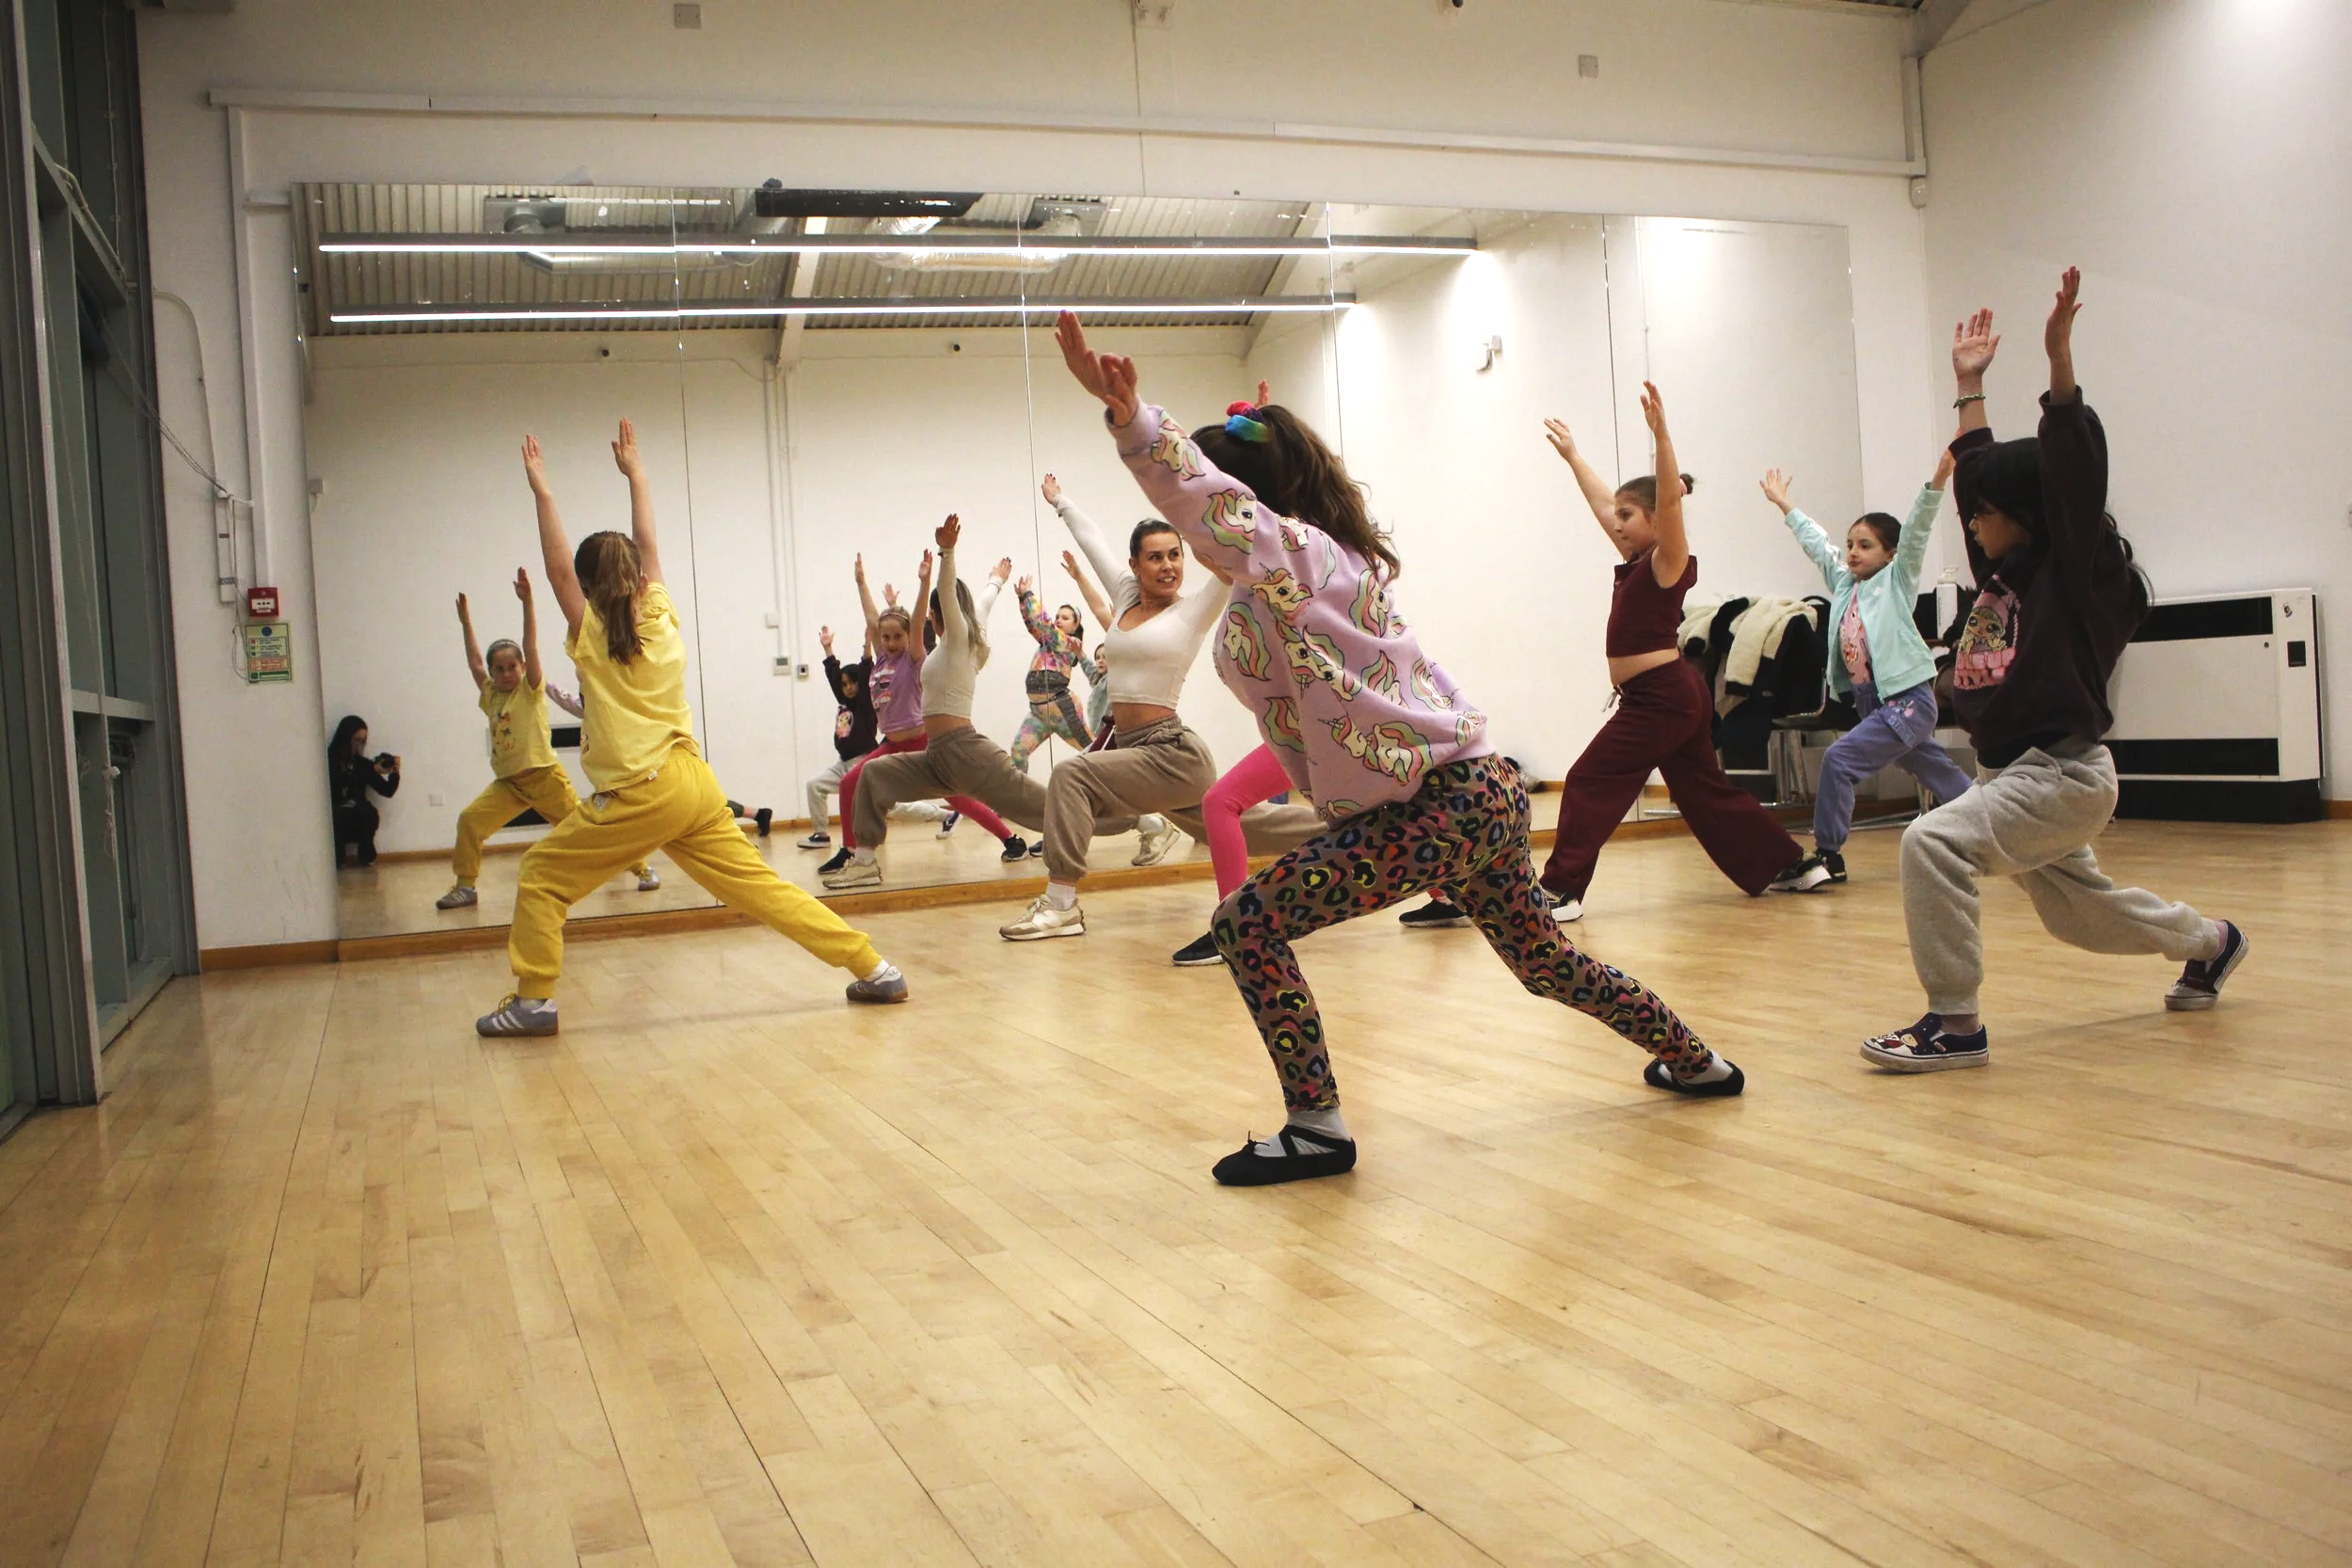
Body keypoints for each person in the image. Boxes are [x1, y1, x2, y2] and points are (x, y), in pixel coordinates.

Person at [1056, 311, 1740, 1187]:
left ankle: (1317, 1126)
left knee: (1248, 921)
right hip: (1469, 793)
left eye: (1214, 522)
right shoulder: (1271, 590)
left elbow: (1213, 506)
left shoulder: (1302, 555)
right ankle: (1697, 1059)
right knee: (1545, 962)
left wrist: (1135, 423)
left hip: (1446, 800)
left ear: (1249, 508)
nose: (1195, 542)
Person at [1863, 273, 2246, 1070]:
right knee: (2078, 914)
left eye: (1986, 514)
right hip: (2015, 777)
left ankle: (1955, 1024)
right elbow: (1980, 472)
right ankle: (2211, 942)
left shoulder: (2072, 573)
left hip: (2061, 774)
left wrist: (2059, 365)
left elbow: (2070, 477)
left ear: (2034, 515)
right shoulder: (2001, 571)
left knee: (1930, 844)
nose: (1972, 523)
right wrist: (1969, 387)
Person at [475, 420, 906, 1037]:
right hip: (693, 784)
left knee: (541, 875)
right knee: (764, 889)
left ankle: (535, 999)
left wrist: (544, 493)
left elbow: (558, 575)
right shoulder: (659, 612)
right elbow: (645, 548)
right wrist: (638, 474)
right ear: (640, 580)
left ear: (593, 591)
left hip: (642, 792)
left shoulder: (592, 637)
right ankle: (875, 965)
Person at [1407, 396, 1808, 930]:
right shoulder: (1635, 561)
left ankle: (1563, 889)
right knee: (1705, 793)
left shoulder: (1669, 561)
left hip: (1662, 696)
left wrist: (1663, 438)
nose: (1614, 523)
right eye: (1615, 516)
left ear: (1656, 519)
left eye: (1626, 516)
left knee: (1588, 780)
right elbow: (1603, 504)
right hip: (1664, 697)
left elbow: (1667, 503)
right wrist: (1574, 457)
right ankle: (1790, 865)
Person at [994, 474, 1212, 940]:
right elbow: (1091, 540)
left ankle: (1061, 905)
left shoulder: (1194, 609)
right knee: (1245, 827)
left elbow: (1240, 562)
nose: (1168, 566)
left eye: (1175, 555)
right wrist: (1060, 502)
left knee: (1071, 775)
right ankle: (1353, 837)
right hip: (1134, 749)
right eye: (1155, 557)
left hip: (1171, 752)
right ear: (1136, 565)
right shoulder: (1127, 595)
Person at [1757, 454, 1976, 889]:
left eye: (1865, 545)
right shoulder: (1844, 584)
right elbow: (1818, 546)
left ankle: (1829, 855)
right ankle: (1993, 821)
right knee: (1939, 773)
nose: (1854, 552)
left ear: (1890, 554)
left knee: (1838, 760)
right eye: (1851, 544)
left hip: (1908, 701)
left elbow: (1916, 531)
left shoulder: (1896, 580)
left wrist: (1937, 480)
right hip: (1871, 703)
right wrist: (1786, 507)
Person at [825, 517, 1067, 889]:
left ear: (939, 614)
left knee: (1047, 808)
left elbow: (947, 592)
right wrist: (996, 580)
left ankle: (1138, 821)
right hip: (936, 753)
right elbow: (982, 601)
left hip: (963, 749)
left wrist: (947, 553)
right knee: (872, 776)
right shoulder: (961, 637)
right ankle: (865, 862)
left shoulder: (957, 639)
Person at [437, 571, 658, 911]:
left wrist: (528, 603)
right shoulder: (490, 695)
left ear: (524, 668)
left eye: (513, 666)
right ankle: (465, 885)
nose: (507, 673)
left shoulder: (530, 690)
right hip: (508, 785)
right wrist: (466, 622)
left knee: (589, 831)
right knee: (469, 820)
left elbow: (531, 645)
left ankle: (641, 868)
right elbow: (474, 662)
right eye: (500, 669)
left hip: (545, 779)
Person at [796, 625, 952, 852]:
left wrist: (867, 645)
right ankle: (821, 834)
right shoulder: (844, 701)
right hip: (843, 764)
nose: (849, 688)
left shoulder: (865, 702)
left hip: (863, 761)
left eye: (852, 683)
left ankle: (943, 814)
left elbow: (866, 668)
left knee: (894, 807)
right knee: (814, 786)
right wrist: (828, 649)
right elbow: (833, 675)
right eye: (845, 684)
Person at [1004, 574, 1097, 769]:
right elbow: (1034, 625)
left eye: (1065, 618)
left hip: (1062, 709)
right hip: (1038, 712)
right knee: (1018, 752)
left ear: (1075, 625)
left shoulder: (1070, 643)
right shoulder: (1049, 640)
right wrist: (1022, 599)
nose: (1059, 620)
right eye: (1057, 617)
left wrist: (1029, 595)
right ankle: (1021, 799)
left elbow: (1044, 624)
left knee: (1095, 750)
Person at [327, 715, 399, 866]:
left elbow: (387, 791)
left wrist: (394, 773)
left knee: (368, 812)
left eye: (362, 741)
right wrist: (366, 772)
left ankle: (366, 855)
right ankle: (338, 859)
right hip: (336, 808)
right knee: (335, 816)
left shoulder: (362, 764)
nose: (358, 745)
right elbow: (337, 781)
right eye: (355, 740)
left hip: (358, 810)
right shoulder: (329, 759)